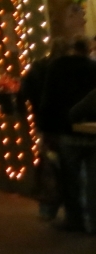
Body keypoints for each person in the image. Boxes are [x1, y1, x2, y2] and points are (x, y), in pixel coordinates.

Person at [38, 37, 96, 231]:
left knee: (70, 179)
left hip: (65, 131)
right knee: (92, 180)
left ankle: (75, 219)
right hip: (91, 131)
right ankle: (92, 221)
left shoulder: (56, 69)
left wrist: (45, 130)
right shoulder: (93, 67)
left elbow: (48, 101)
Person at [19, 37, 70, 221]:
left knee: (49, 164)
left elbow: (24, 92)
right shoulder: (68, 69)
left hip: (45, 121)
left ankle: (48, 206)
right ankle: (69, 207)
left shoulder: (38, 67)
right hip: (67, 123)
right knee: (67, 167)